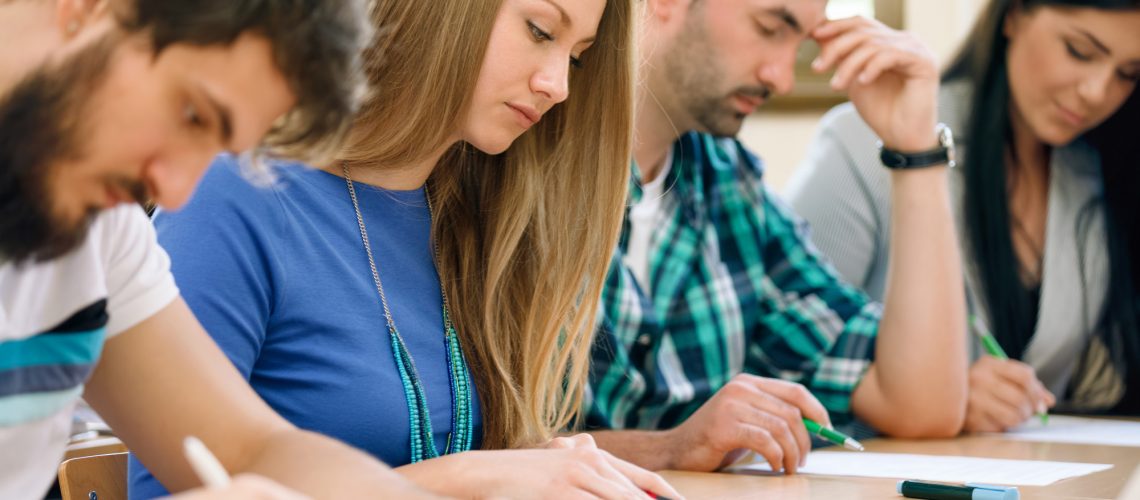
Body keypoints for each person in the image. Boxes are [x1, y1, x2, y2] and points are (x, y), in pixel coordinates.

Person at [127, 0, 680, 498]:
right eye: (539, 30)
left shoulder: (481, 213)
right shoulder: (237, 195)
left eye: (578, 57)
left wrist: (652, 452)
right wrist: (471, 476)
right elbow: (170, 492)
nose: (558, 84)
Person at [0, 0, 439, 498]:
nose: (174, 192)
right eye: (192, 115)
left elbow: (252, 450)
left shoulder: (99, 229)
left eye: (216, 150)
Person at [583, 0, 970, 475]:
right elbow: (479, 443)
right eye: (770, 27)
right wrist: (669, 448)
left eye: (801, 43)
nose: (782, 78)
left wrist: (914, 148)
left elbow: (920, 403)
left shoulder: (729, 184)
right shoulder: (524, 166)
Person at [787, 0, 1140, 432]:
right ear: (1014, 15)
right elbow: (778, 353)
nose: (1097, 91)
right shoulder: (866, 141)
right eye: (1079, 51)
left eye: (1127, 74)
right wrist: (933, 391)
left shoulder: (1099, 170)